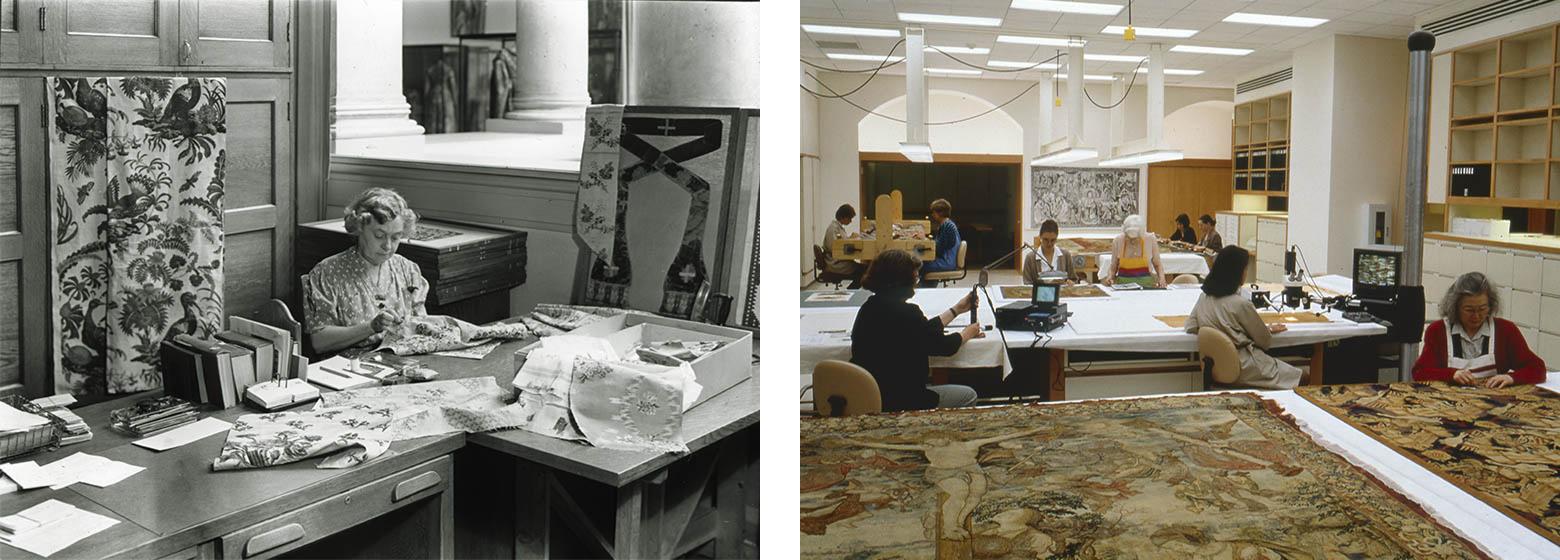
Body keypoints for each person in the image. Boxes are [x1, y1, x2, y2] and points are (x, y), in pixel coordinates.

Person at [851, 249, 984, 412]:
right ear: (902, 282)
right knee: (968, 394)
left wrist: (956, 309)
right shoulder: (908, 313)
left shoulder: (868, 308)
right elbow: (942, 346)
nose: (916, 282)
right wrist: (967, 333)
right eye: (915, 277)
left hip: (870, 393)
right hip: (903, 399)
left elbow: (923, 332)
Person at [303, 188, 429, 355]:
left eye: (396, 237)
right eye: (379, 235)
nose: (388, 246)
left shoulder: (407, 270)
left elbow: (420, 326)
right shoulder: (328, 272)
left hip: (400, 362)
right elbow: (320, 341)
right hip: (347, 370)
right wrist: (370, 327)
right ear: (359, 228)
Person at [1183, 245, 1304, 389]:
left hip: (1217, 366)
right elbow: (1265, 341)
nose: (1246, 273)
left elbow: (1190, 326)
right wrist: (1262, 330)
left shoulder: (1204, 298)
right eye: (1245, 269)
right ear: (1237, 272)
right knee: (1304, 377)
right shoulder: (1241, 304)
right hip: (1245, 366)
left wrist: (1219, 331)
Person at [1412, 272, 1546, 387]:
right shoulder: (1438, 331)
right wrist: (1452, 374)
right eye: (1469, 310)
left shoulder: (1506, 330)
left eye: (1482, 309)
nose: (1476, 316)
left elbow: (1537, 368)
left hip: (1492, 403)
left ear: (1491, 306)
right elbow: (1420, 372)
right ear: (1455, 307)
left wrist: (1511, 377)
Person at [1103, 215, 1165, 288]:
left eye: (1135, 239)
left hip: (1146, 287)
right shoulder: (1118, 240)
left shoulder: (1150, 239)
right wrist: (1110, 277)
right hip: (1123, 287)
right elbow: (1113, 266)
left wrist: (1162, 279)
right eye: (1129, 238)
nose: (1132, 242)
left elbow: (1157, 264)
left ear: (1142, 234)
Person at [821, 204, 865, 288]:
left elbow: (840, 242)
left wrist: (850, 238)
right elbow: (834, 248)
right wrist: (850, 241)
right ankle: (851, 292)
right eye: (850, 218)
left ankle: (851, 291)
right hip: (835, 263)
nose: (851, 221)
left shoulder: (838, 227)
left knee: (864, 269)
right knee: (864, 271)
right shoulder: (833, 228)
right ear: (843, 217)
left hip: (839, 260)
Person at [920, 198, 962, 285]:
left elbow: (939, 249)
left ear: (940, 213)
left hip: (947, 263)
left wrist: (923, 239)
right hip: (947, 261)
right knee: (921, 260)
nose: (932, 215)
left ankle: (924, 290)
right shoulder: (948, 225)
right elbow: (940, 245)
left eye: (934, 212)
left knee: (918, 264)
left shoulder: (947, 226)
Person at [1022, 219, 1076, 284]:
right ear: (1040, 237)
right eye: (1046, 239)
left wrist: (1070, 283)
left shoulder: (1066, 255)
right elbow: (1027, 284)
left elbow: (1073, 279)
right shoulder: (1030, 258)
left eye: (1053, 240)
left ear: (1057, 238)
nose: (1049, 243)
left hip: (1060, 293)